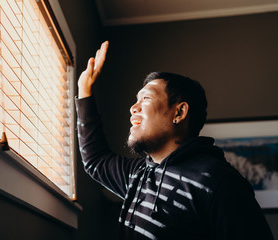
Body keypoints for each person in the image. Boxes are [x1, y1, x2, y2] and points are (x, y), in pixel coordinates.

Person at [75, 41, 274, 240]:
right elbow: (96, 160)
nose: (133, 108)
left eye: (146, 98)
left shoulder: (219, 182)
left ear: (179, 112)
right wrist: (84, 91)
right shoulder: (138, 175)